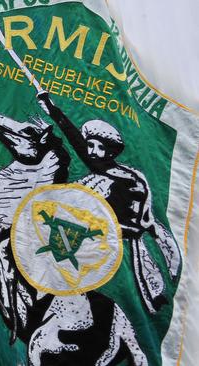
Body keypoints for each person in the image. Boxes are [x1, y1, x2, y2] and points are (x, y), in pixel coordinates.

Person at [38, 92, 181, 314]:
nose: (92, 152)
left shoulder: (126, 179)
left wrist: (55, 113)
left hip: (118, 243)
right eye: (91, 145)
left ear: (111, 151)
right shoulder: (99, 175)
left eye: (99, 147)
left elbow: (135, 224)